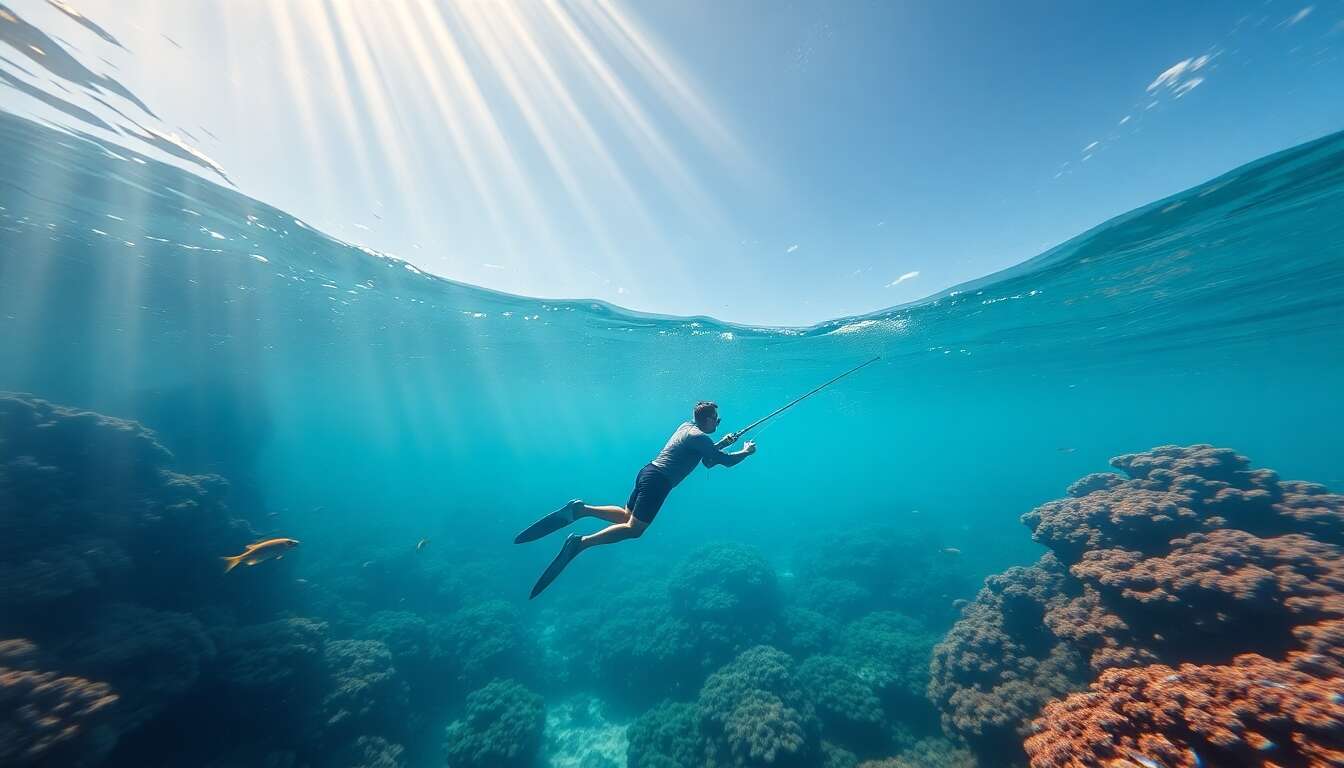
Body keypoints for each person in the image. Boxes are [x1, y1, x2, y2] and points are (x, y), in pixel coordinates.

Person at [516, 400, 756, 598]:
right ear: (708, 419)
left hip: (648, 472)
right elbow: (723, 461)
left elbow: (707, 460)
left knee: (626, 515)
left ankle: (581, 509)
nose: (718, 422)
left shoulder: (687, 427)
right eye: (717, 419)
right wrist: (745, 452)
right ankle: (581, 543)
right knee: (635, 529)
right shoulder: (700, 438)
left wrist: (722, 443)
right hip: (659, 482)